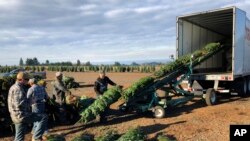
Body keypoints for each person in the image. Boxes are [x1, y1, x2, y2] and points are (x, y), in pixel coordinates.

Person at [8, 72, 48, 141]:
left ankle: (36, 136)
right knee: (43, 117)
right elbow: (19, 105)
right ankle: (36, 137)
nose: (28, 81)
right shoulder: (18, 89)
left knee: (19, 137)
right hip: (21, 115)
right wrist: (31, 101)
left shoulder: (13, 87)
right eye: (27, 79)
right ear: (22, 79)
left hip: (15, 115)